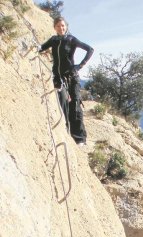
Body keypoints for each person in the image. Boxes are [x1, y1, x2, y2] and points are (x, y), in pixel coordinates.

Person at [39, 16, 94, 146]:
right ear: (54, 27)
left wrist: (80, 65)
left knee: (74, 104)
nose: (61, 28)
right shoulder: (53, 40)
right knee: (63, 102)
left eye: (63, 26)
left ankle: (80, 138)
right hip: (58, 77)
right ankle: (68, 131)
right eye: (58, 26)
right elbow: (41, 47)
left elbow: (90, 49)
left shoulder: (71, 39)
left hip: (72, 76)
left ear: (66, 26)